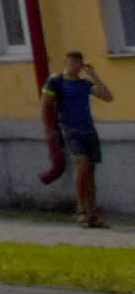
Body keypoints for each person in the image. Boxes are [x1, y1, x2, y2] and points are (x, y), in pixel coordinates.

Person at [50, 51, 111, 229]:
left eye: (77, 64)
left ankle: (92, 213)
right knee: (82, 167)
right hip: (71, 131)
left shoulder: (85, 84)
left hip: (88, 130)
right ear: (66, 63)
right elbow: (48, 103)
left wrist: (93, 75)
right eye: (70, 63)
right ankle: (81, 209)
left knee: (90, 172)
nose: (74, 67)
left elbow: (107, 97)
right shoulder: (59, 83)